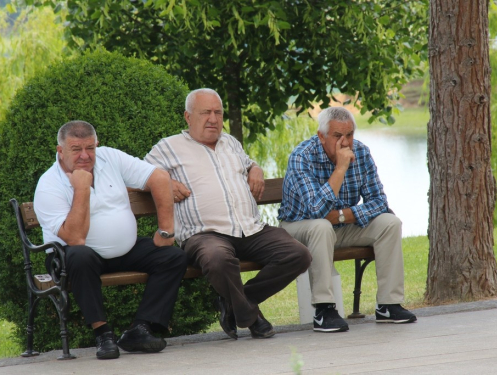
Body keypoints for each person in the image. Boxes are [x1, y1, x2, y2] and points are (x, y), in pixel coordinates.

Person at [145, 88, 312, 340]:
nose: (213, 118)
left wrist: (255, 167)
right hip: (204, 235)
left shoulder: (230, 142)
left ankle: (235, 304)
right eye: (205, 113)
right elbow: (138, 177)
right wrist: (164, 182)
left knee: (298, 255)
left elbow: (246, 163)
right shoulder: (169, 147)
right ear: (188, 117)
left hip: (250, 229)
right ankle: (251, 317)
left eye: (218, 112)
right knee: (217, 259)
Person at [34, 120, 188, 359]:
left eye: (90, 148)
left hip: (124, 251)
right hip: (73, 256)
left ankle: (140, 329)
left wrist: (166, 231)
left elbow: (158, 177)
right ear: (60, 151)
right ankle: (102, 334)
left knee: (172, 256)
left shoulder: (110, 158)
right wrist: (81, 189)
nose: (85, 156)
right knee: (81, 255)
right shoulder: (49, 185)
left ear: (97, 145)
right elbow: (75, 237)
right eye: (76, 149)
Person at [278, 106, 417, 333]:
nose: (345, 142)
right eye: (337, 136)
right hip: (297, 229)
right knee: (321, 226)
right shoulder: (302, 157)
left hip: (341, 225)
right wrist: (340, 169)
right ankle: (324, 310)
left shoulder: (361, 152)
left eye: (349, 135)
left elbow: (380, 202)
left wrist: (344, 215)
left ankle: (388, 305)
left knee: (390, 223)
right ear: (321, 136)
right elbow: (316, 210)